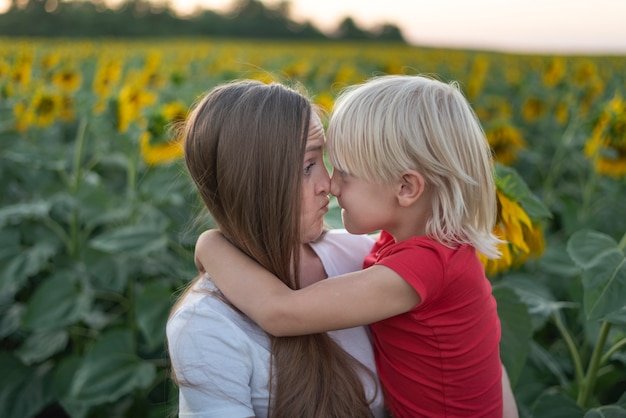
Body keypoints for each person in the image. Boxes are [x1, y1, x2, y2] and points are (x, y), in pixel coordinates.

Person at [195, 74, 512, 417]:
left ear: (406, 188)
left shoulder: (423, 267)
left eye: (345, 172)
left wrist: (210, 244)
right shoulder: (425, 245)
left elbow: (281, 312)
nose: (332, 184)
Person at [166, 79, 387, 418]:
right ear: (253, 184)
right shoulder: (207, 324)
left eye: (322, 160)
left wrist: (209, 243)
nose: (327, 184)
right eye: (306, 167)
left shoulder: (365, 257)